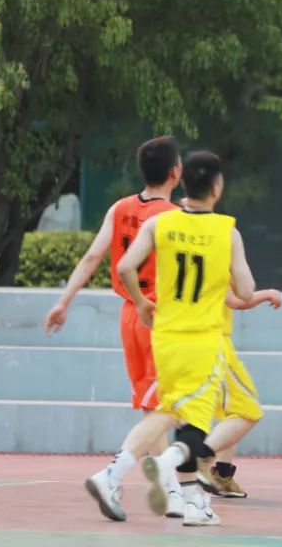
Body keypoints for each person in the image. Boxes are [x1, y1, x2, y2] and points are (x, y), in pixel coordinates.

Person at [84, 151, 258, 527]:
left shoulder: (159, 224)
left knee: (168, 411)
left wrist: (141, 301)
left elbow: (125, 266)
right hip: (203, 339)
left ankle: (118, 476)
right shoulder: (227, 231)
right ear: (216, 188)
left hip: (164, 336)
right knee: (198, 425)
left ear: (184, 183)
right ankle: (172, 471)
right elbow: (245, 291)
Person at [45, 136, 186, 518]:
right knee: (168, 407)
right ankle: (116, 477)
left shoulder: (120, 208)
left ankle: (171, 492)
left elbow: (93, 256)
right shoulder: (175, 218)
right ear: (176, 172)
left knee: (152, 408)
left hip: (129, 315)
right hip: (158, 316)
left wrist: (64, 301)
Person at [201, 286, 282, 498]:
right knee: (247, 411)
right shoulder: (217, 263)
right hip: (212, 341)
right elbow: (236, 300)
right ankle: (199, 459)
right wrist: (267, 294)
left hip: (190, 339)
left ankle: (222, 474)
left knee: (231, 412)